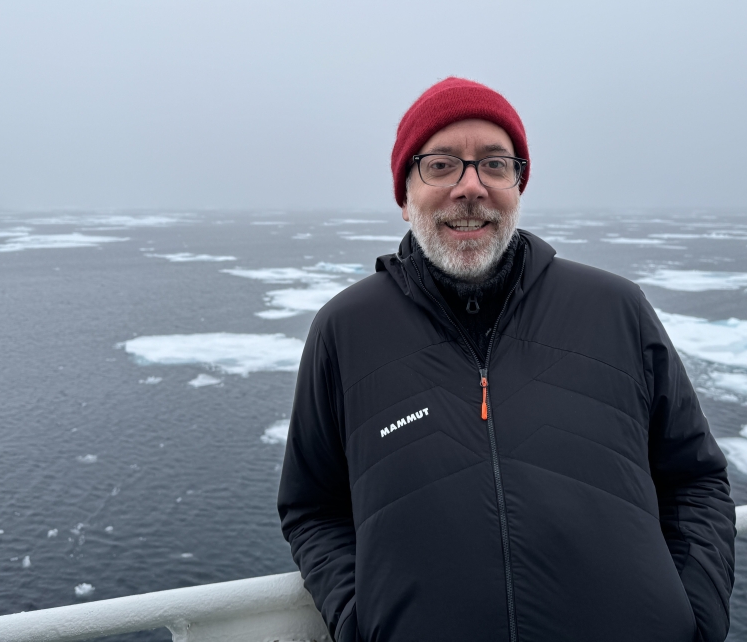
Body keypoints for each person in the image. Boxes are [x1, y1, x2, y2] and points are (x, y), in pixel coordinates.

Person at [277, 77, 735, 642]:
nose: (471, 188)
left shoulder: (615, 309)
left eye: (494, 165)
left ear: (517, 185)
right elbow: (313, 509)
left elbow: (696, 482)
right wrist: (360, 623)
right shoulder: (346, 332)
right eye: (441, 165)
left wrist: (697, 618)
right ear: (403, 196)